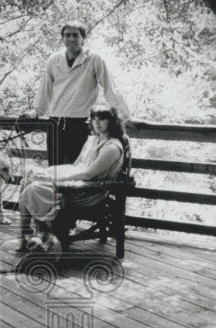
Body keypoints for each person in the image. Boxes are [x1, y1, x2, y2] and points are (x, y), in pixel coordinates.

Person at [16, 104, 130, 251]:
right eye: (94, 119)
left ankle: (46, 232)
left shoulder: (112, 147)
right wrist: (47, 172)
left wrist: (52, 179)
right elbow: (75, 166)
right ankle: (25, 234)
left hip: (88, 191)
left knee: (33, 188)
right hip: (74, 183)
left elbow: (88, 174)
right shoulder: (92, 140)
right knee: (29, 178)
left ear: (112, 121)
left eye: (102, 119)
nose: (97, 123)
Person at [23, 22, 131, 166]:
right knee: (55, 170)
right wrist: (36, 112)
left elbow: (110, 88)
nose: (71, 39)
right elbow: (45, 89)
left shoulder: (94, 59)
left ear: (83, 38)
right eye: (67, 35)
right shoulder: (54, 60)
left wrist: (124, 115)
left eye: (75, 35)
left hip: (81, 124)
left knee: (77, 171)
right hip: (55, 123)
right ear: (62, 38)